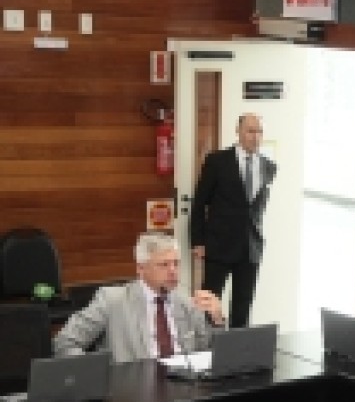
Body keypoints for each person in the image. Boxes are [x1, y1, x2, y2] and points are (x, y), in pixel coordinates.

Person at [54, 233, 225, 364]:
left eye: (176, 263)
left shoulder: (186, 299)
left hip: (183, 387)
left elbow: (207, 351)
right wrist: (98, 374)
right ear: (141, 269)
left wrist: (217, 320)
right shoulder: (112, 300)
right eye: (164, 265)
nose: (173, 271)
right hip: (131, 389)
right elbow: (65, 342)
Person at [189, 113, 277, 328]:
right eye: (250, 131)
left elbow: (256, 208)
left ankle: (238, 348)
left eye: (259, 132)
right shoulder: (217, 161)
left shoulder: (269, 166)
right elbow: (199, 202)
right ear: (238, 131)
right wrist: (198, 241)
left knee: (243, 306)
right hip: (219, 244)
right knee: (209, 304)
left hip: (250, 248)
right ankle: (207, 345)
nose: (255, 137)